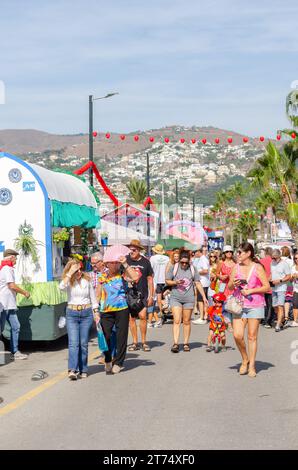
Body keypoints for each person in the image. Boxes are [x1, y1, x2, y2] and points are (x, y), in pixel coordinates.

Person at [228, 242, 270, 378]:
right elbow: (229, 286)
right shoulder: (236, 267)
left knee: (252, 336)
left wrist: (251, 290)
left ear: (248, 253)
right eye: (237, 252)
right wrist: (233, 284)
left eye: (240, 252)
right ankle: (245, 358)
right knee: (237, 335)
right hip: (239, 304)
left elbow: (266, 287)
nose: (237, 255)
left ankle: (251, 365)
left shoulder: (257, 268)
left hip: (255, 305)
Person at [95, 255, 139, 374]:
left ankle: (119, 362)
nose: (114, 265)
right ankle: (108, 359)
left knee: (121, 337)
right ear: (106, 264)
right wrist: (95, 311)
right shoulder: (102, 276)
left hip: (122, 309)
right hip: (106, 310)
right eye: (112, 263)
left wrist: (125, 263)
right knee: (106, 336)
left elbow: (135, 277)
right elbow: (98, 294)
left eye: (116, 262)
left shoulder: (123, 274)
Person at [59, 259, 99, 380]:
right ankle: (72, 369)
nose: (79, 272)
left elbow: (93, 298)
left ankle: (83, 369)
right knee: (73, 343)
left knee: (83, 343)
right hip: (72, 313)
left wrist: (96, 312)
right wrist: (70, 273)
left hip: (86, 313)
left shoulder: (87, 281)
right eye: (77, 270)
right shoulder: (68, 282)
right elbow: (61, 287)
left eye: (80, 269)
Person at [166, 250, 208, 353]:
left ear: (189, 261)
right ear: (179, 261)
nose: (184, 264)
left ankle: (185, 343)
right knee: (176, 320)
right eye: (182, 262)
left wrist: (204, 297)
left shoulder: (193, 269)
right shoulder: (174, 267)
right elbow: (167, 280)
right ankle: (175, 343)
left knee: (186, 321)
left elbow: (197, 283)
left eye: (186, 262)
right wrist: (175, 282)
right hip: (176, 297)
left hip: (189, 299)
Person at [0, 249, 30, 360]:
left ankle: (15, 351)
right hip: (5, 305)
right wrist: (24, 292)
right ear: (11, 257)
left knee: (15, 326)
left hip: (8, 305)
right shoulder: (7, 269)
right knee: (3, 328)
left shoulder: (5, 268)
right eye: (15, 257)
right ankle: (15, 351)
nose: (16, 260)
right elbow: (11, 285)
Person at [126, 240, 154, 352]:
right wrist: (127, 279)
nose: (131, 252)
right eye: (130, 250)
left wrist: (151, 296)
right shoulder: (126, 260)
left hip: (142, 294)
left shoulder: (145, 262)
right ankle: (134, 342)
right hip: (129, 294)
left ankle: (144, 342)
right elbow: (121, 275)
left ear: (139, 250)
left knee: (143, 317)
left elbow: (150, 279)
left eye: (134, 250)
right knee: (131, 318)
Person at [270, 249, 291, 332]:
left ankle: (278, 325)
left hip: (282, 288)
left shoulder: (284, 264)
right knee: (274, 306)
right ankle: (282, 320)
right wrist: (269, 279)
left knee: (280, 306)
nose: (273, 259)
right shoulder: (272, 263)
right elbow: (272, 273)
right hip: (274, 287)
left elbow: (288, 276)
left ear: (279, 256)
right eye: (272, 258)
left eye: (275, 258)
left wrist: (280, 280)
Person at [216, 245, 236, 332]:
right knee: (224, 305)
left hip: (233, 286)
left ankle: (233, 322)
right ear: (224, 253)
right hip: (223, 286)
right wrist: (221, 277)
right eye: (227, 252)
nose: (229, 253)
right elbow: (216, 273)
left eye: (230, 252)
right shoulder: (221, 262)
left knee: (233, 304)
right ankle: (229, 324)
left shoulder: (236, 263)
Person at [149, 244, 169, 328]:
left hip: (156, 280)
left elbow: (150, 270)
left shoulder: (152, 258)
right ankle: (164, 313)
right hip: (166, 280)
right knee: (165, 298)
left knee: (157, 299)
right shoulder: (167, 258)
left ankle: (160, 315)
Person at [192, 248, 210, 325]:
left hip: (203, 283)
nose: (194, 254)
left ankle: (203, 317)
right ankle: (204, 316)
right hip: (201, 282)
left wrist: (196, 273)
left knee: (202, 300)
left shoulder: (203, 259)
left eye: (195, 252)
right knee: (201, 300)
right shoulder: (200, 259)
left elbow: (206, 271)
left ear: (199, 252)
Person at [260, 247, 274, 328]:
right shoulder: (273, 261)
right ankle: (268, 321)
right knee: (270, 304)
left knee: (263, 303)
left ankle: (263, 319)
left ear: (265, 253)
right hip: (271, 284)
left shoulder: (261, 261)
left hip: (262, 284)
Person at [281, 246, 294, 325]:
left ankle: (281, 316)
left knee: (280, 299)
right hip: (289, 282)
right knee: (287, 299)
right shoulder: (290, 261)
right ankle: (286, 316)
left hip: (280, 282)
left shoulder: (278, 261)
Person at [290, 253, 298, 327]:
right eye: (295, 258)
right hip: (295, 289)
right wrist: (293, 277)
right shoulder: (293, 268)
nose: (297, 260)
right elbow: (290, 280)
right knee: (295, 304)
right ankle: (295, 320)